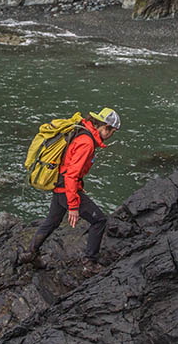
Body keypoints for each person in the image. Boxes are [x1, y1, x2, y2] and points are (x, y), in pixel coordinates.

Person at [20, 107, 121, 275]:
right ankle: (89, 263)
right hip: (66, 188)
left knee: (52, 221)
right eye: (112, 132)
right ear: (105, 127)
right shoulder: (87, 142)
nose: (111, 136)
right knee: (99, 221)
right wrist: (73, 206)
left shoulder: (81, 129)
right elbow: (71, 175)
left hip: (59, 186)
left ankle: (30, 253)